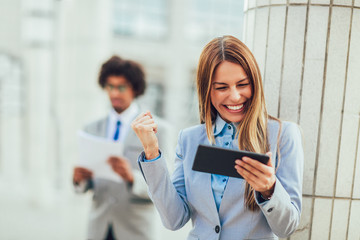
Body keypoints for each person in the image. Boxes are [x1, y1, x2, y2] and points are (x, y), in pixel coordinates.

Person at [131, 36, 304, 239]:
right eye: (222, 87)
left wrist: (269, 190)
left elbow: (287, 228)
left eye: (242, 84)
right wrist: (152, 153)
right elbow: (174, 219)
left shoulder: (282, 136)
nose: (235, 96)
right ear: (207, 91)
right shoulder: (190, 139)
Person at [73, 55, 171, 240]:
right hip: (99, 228)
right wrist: (80, 180)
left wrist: (131, 177)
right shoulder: (91, 128)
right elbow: (87, 184)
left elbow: (167, 187)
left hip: (135, 230)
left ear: (135, 89)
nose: (114, 93)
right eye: (110, 86)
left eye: (121, 87)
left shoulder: (158, 130)